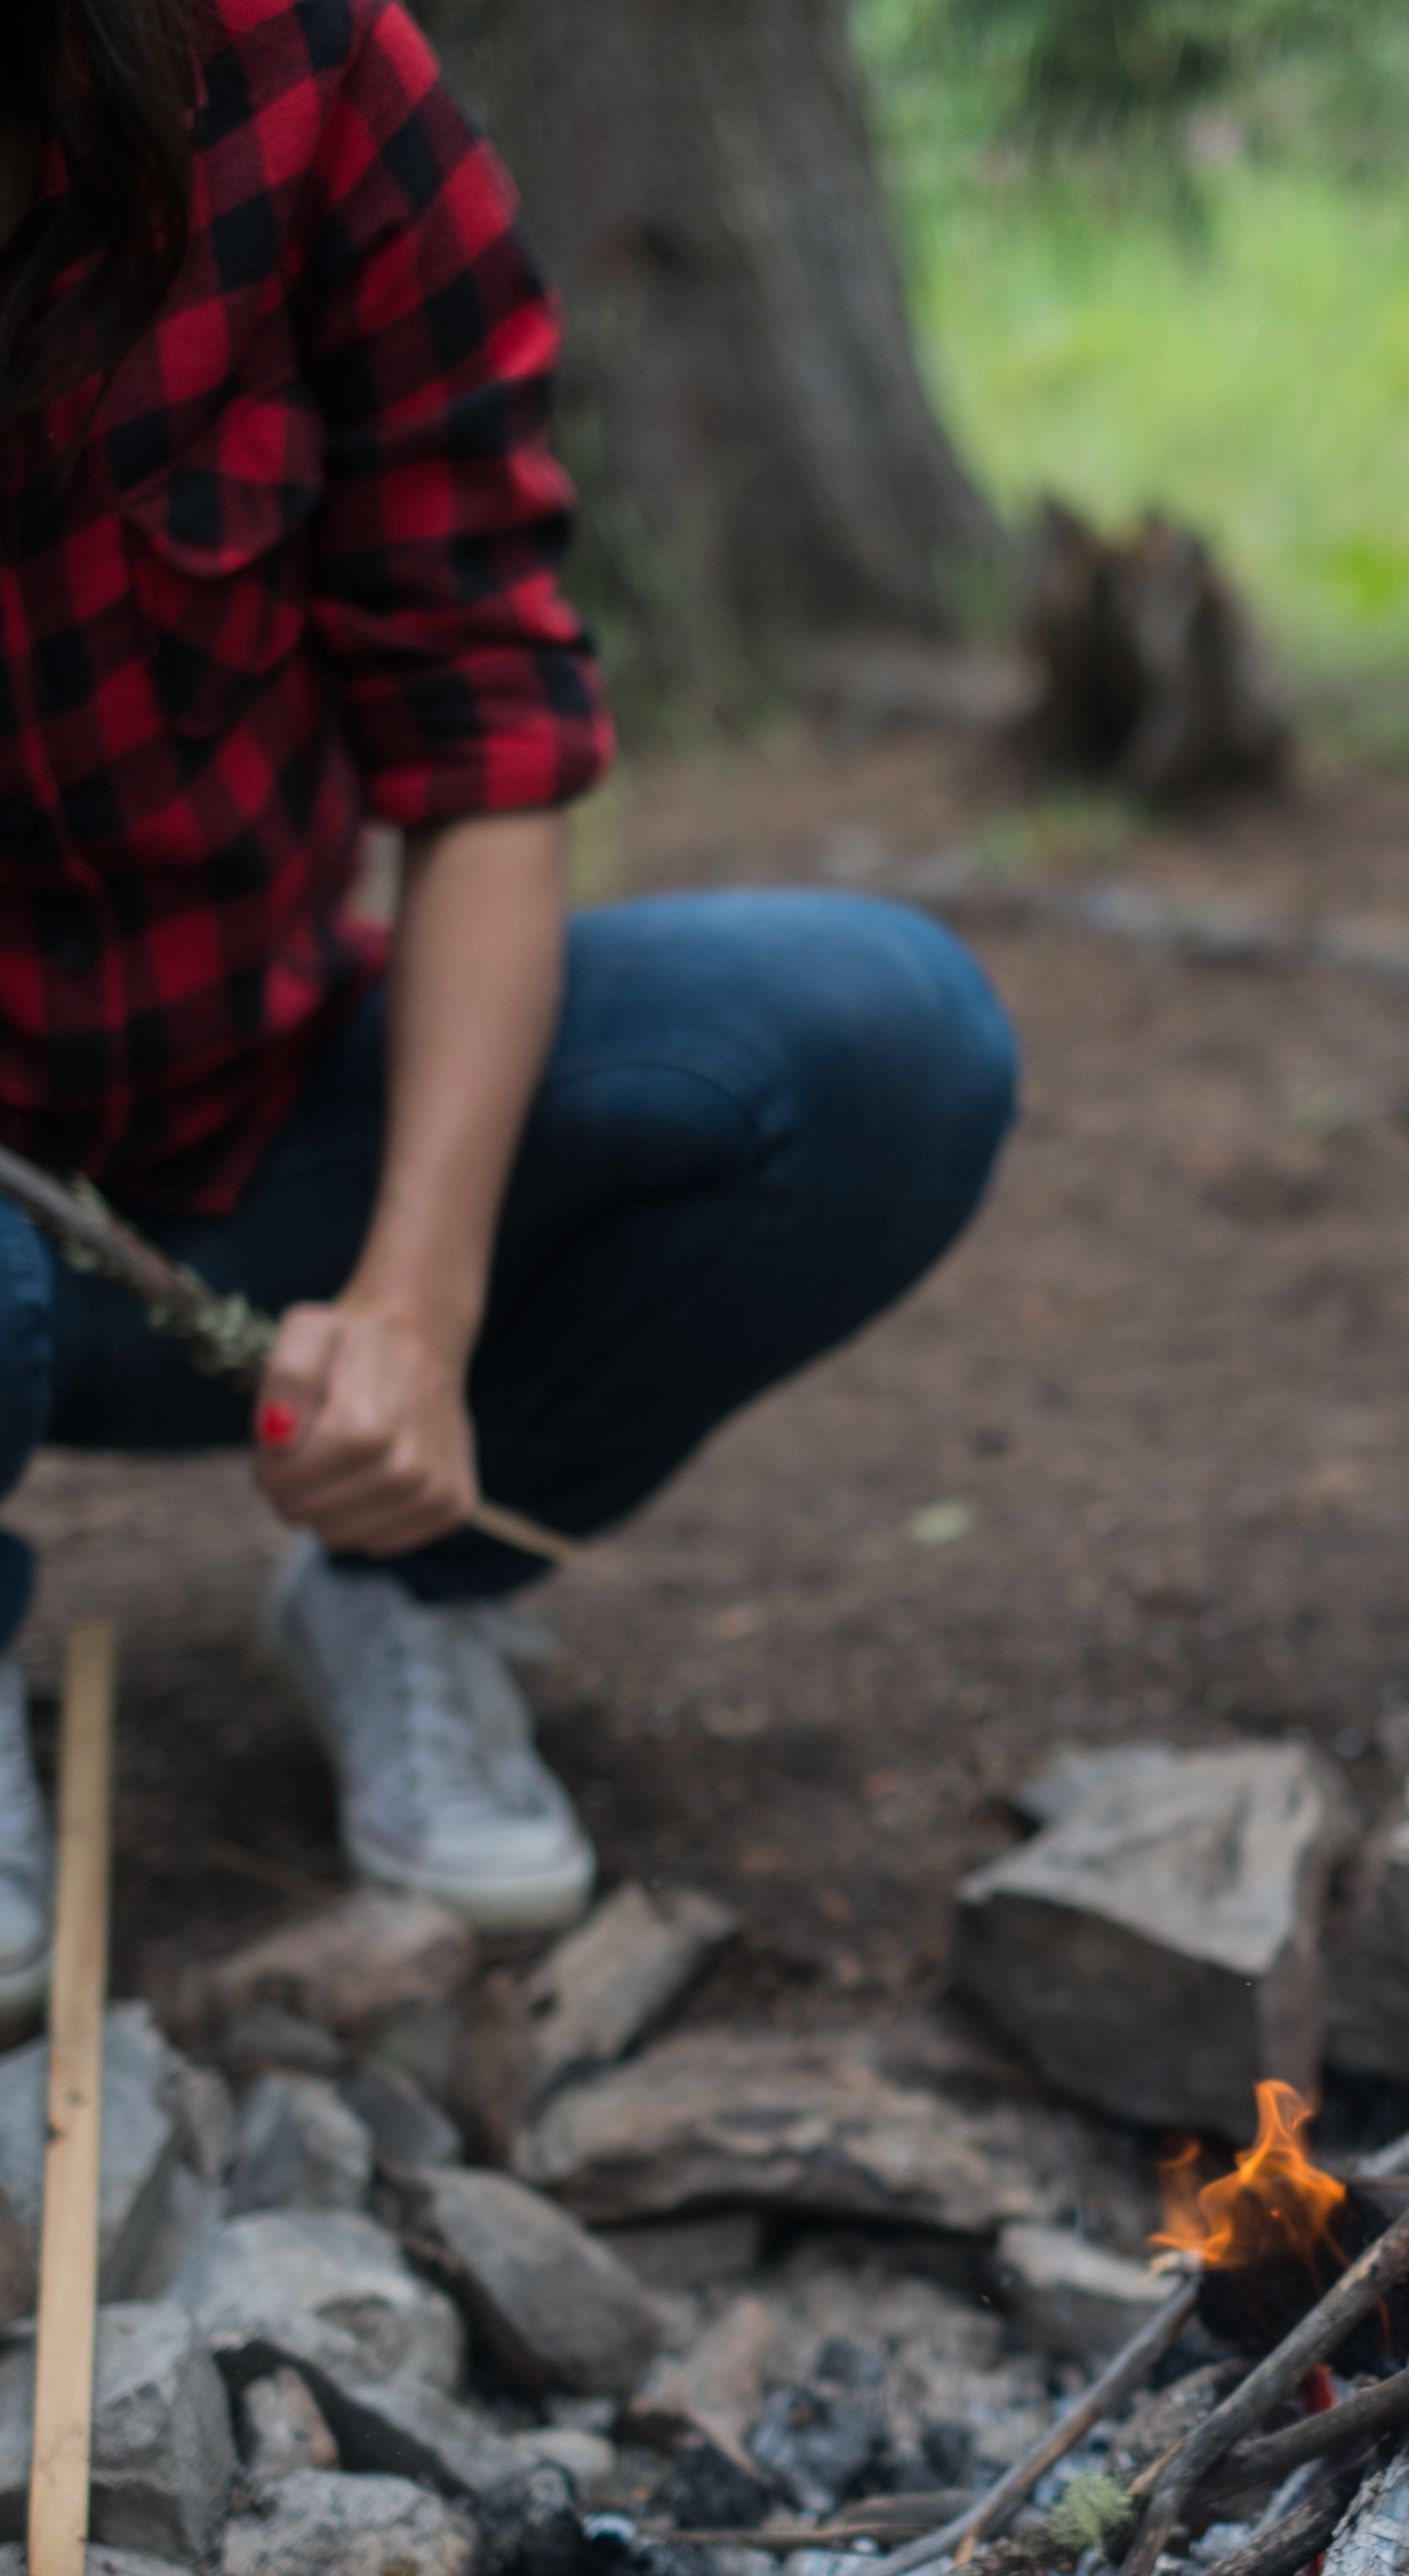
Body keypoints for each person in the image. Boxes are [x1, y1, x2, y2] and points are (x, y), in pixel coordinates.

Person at [0, 0, 1019, 2007]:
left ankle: (405, 1590)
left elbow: (482, 727)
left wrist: (417, 1307)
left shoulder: (294, 77)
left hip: (253, 1120)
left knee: (882, 1048)